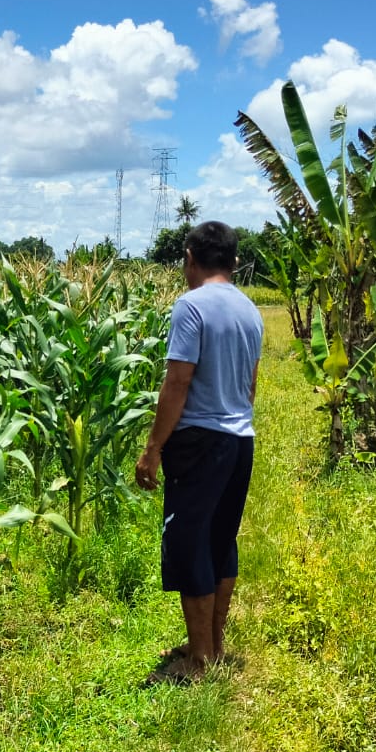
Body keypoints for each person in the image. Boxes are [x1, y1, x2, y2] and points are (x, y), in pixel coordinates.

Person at [133, 221, 263, 680]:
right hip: (239, 439)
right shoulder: (252, 311)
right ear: (232, 260)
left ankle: (199, 661)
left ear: (190, 257)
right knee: (220, 541)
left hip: (200, 442)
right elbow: (249, 386)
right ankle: (211, 645)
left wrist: (153, 448)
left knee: (190, 545)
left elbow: (177, 381)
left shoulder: (191, 306)